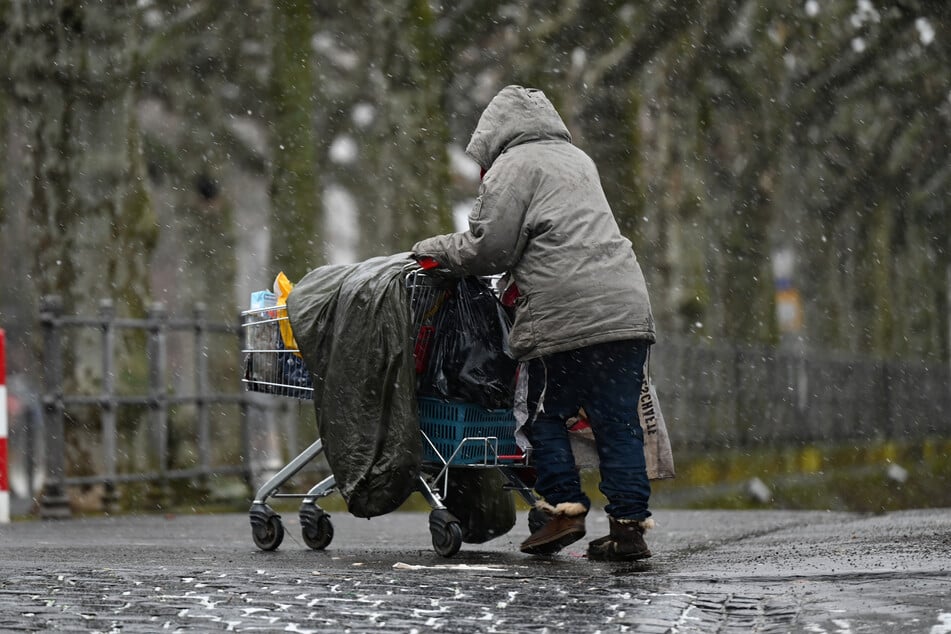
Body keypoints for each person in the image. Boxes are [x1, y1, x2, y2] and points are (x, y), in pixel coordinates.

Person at [412, 85, 656, 561]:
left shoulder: (512, 165)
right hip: (627, 309)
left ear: (493, 134)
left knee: (541, 414)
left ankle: (563, 509)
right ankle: (629, 529)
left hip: (564, 312)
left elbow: (491, 248)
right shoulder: (578, 159)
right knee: (618, 425)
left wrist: (432, 249)